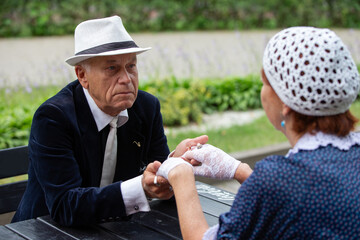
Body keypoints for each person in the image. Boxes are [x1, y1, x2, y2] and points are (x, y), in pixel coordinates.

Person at [156, 26, 360, 239]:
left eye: (265, 82)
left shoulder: (277, 179)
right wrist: (239, 170)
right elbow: (305, 197)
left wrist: (180, 176)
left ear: (285, 103)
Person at [12, 15, 208, 226]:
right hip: (41, 229)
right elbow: (65, 205)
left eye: (131, 66)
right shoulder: (54, 118)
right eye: (112, 68)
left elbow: (155, 175)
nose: (126, 79)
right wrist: (139, 188)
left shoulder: (146, 108)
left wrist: (173, 163)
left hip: (115, 228)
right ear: (82, 76)